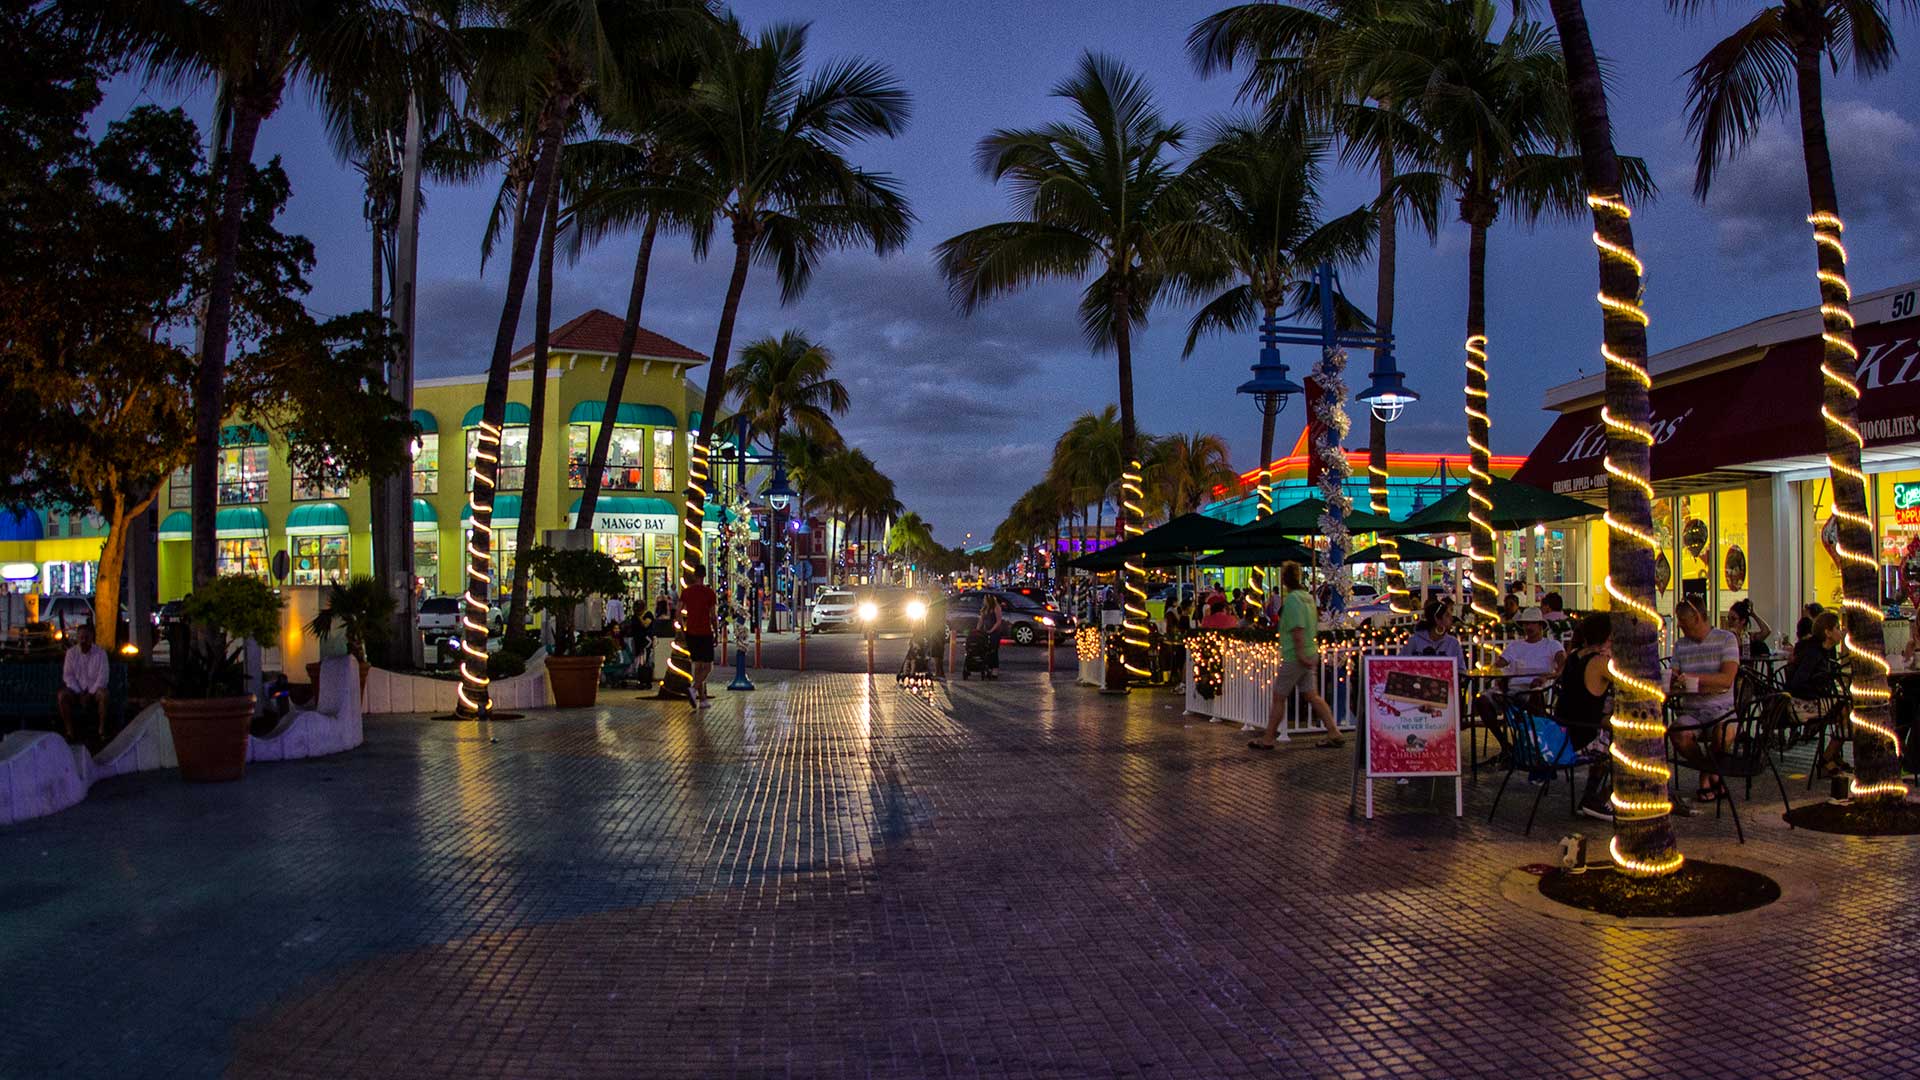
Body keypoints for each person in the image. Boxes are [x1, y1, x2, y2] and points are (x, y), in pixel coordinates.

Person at [1250, 562, 1339, 750]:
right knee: (1312, 695)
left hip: (1295, 656)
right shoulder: (1308, 598)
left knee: (1279, 696)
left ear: (1284, 579)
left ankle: (1268, 738)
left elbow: (1298, 628)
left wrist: (1300, 654)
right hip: (1310, 651)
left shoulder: (1292, 600)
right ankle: (1333, 731)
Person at [1669, 598, 1741, 804]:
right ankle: (1712, 772)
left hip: (1723, 709)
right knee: (1678, 733)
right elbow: (1674, 678)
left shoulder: (1726, 639)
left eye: (1683, 621)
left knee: (1723, 732)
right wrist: (1674, 682)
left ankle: (1705, 777)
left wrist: (1695, 678)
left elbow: (1727, 679)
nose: (1680, 625)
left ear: (1697, 618)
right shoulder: (1680, 645)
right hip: (1692, 711)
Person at [1553, 612, 1615, 819]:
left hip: (1564, 730)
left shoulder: (1574, 656)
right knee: (1632, 737)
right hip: (1583, 736)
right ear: (1608, 636)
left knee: (1613, 727)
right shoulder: (1600, 662)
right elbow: (1629, 684)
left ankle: (1590, 796)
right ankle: (1601, 797)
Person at [1784, 610, 1848, 777]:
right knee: (1848, 713)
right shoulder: (1813, 653)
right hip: (1801, 703)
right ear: (1827, 632)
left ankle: (1832, 755)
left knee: (1846, 709)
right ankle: (1827, 759)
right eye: (1837, 628)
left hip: (1812, 700)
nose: (1840, 631)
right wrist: (1820, 694)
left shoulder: (1824, 651)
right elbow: (1798, 683)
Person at [58, 623, 109, 744]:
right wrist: (79, 692)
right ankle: (70, 732)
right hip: (76, 691)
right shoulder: (71, 653)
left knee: (103, 695)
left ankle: (101, 731)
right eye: (81, 637)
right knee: (62, 696)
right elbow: (68, 676)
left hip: (94, 691)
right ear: (77, 638)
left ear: (92, 638)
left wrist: (90, 694)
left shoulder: (101, 653)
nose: (83, 641)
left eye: (86, 637)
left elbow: (103, 677)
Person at [678, 564, 718, 707]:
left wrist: (683, 628)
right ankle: (694, 689)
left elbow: (678, 613)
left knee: (698, 665)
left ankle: (701, 699)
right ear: (704, 575)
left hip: (691, 632)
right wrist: (716, 631)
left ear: (694, 575)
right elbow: (713, 615)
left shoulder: (687, 592)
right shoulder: (709, 593)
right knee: (707, 666)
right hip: (705, 632)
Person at [1496, 608, 1566, 690]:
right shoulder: (1514, 646)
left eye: (1533, 623)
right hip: (1514, 688)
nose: (1529, 627)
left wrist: (1546, 677)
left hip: (1540, 689)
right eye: (1526, 624)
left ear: (1540, 625)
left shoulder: (1552, 645)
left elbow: (1563, 666)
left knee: (1536, 691)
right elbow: (1498, 665)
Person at [1401, 601, 1464, 670]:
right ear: (1437, 619)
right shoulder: (1414, 641)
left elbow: (1461, 669)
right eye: (1447, 615)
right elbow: (1400, 664)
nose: (1452, 618)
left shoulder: (1453, 643)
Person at [977, 595, 1006, 678]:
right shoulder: (985, 608)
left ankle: (994, 669)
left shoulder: (996, 607)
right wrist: (977, 630)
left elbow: (998, 621)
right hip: (985, 631)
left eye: (985, 599)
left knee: (994, 650)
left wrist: (991, 630)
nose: (984, 601)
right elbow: (981, 620)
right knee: (986, 650)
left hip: (995, 632)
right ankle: (988, 667)